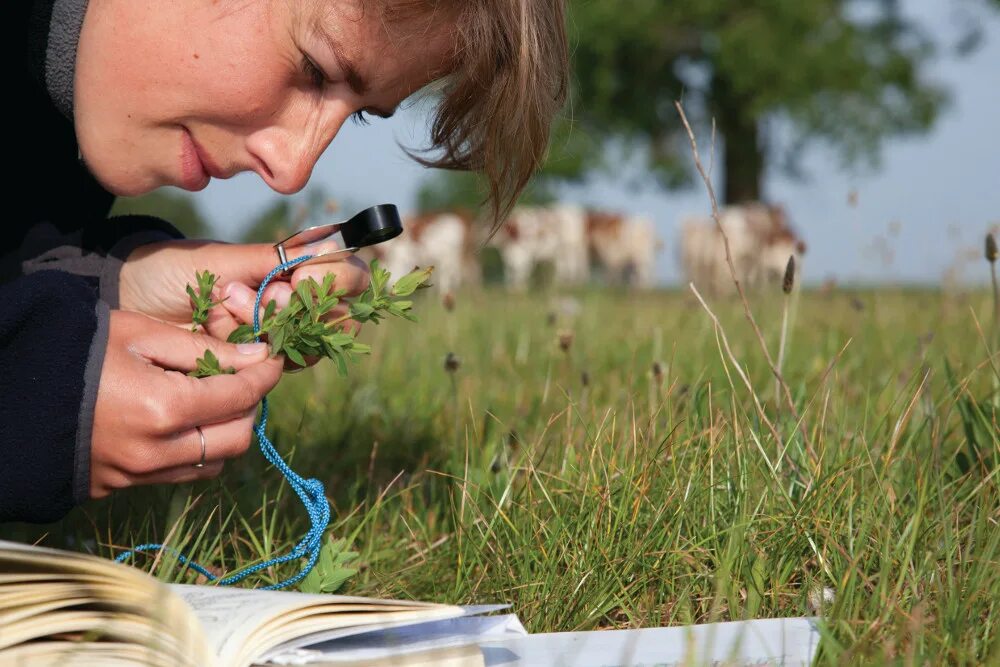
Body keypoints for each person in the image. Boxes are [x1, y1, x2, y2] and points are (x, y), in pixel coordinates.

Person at [2, 0, 567, 523]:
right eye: (315, 68)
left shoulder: (56, 131)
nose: (293, 169)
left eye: (360, 114)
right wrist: (29, 398)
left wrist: (111, 287)